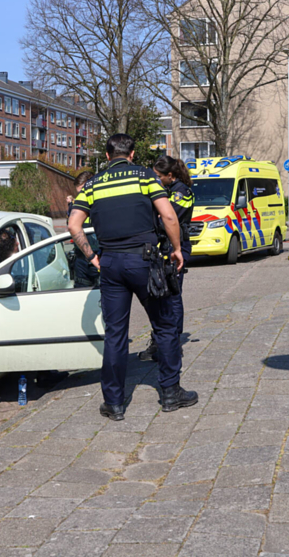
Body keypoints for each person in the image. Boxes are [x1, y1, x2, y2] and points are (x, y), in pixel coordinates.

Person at [68, 134, 196, 422]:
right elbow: (169, 217)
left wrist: (92, 257)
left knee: (115, 334)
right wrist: (177, 250)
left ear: (107, 154)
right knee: (164, 326)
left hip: (111, 262)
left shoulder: (92, 184)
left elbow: (73, 225)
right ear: (133, 153)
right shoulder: (145, 177)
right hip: (146, 260)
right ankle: (171, 393)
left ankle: (113, 403)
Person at [140, 155, 194, 362]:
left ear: (169, 176)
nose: (155, 180)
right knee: (159, 295)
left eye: (157, 176)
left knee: (172, 295)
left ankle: (172, 344)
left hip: (175, 247)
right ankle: (159, 341)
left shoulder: (182, 193)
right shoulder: (168, 190)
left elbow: (166, 219)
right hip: (163, 247)